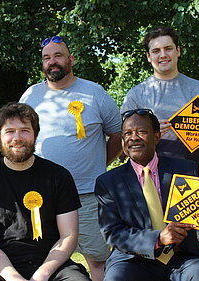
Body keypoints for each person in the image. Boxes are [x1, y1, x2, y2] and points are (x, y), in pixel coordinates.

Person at [120, 27, 199, 281]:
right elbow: (126, 146)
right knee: (161, 257)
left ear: (178, 51)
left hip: (198, 182)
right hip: (156, 185)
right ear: (148, 57)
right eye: (156, 50)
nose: (163, 55)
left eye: (168, 48)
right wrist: (150, 131)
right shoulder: (137, 95)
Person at [19, 36, 122, 281]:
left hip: (87, 195)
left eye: (58, 56)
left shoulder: (94, 92)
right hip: (42, 199)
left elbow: (118, 134)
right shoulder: (30, 96)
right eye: (47, 58)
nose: (52, 62)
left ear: (70, 59)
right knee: (40, 263)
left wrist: (98, 164)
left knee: (98, 259)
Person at [94, 109, 199, 281]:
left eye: (142, 132)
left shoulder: (187, 170)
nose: (134, 137)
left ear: (157, 137)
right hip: (132, 259)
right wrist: (158, 239)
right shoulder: (108, 182)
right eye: (127, 133)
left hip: (181, 257)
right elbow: (113, 233)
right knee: (116, 277)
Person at [0, 103, 90, 281]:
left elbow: (68, 236)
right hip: (1, 266)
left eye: (25, 130)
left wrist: (41, 275)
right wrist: (13, 277)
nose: (17, 138)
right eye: (10, 131)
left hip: (53, 263)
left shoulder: (59, 177)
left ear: (35, 135)